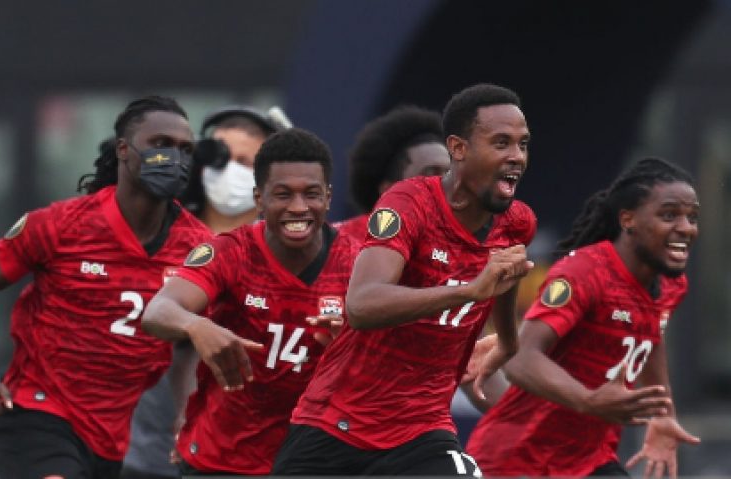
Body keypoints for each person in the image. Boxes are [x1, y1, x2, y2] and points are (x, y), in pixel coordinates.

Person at [271, 83, 535, 476]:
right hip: (336, 427)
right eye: (501, 143)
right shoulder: (408, 204)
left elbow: (507, 270)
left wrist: (507, 343)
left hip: (422, 433)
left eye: (523, 144)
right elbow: (360, 306)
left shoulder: (517, 221)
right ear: (459, 149)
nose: (516, 157)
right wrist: (469, 290)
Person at [0, 95, 213, 479]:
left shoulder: (197, 248)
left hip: (109, 439)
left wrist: (188, 415)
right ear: (124, 149)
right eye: (161, 145)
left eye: (185, 149)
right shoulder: (61, 226)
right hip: (34, 414)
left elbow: (188, 344)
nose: (174, 157)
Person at [142, 127, 359, 475]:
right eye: (283, 194)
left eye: (311, 194)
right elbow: (158, 310)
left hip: (313, 461)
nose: (298, 208)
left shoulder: (358, 263)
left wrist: (354, 344)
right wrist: (197, 326)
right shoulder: (231, 252)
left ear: (329, 197)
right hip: (220, 459)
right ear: (259, 198)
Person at [466, 157, 701, 478]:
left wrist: (662, 413)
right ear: (628, 219)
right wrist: (589, 400)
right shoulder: (585, 273)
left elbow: (651, 333)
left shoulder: (671, 284)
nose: (686, 228)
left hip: (589, 460)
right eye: (670, 215)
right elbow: (520, 361)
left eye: (692, 217)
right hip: (519, 460)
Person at [121, 105, 290, 479]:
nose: (232, 170)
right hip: (143, 449)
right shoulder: (157, 231)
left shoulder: (290, 251)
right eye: (221, 158)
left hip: (251, 451)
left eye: (247, 161)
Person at [337, 105, 450, 238]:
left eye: (449, 173)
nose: (446, 183)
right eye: (431, 173)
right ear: (388, 190)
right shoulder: (337, 244)